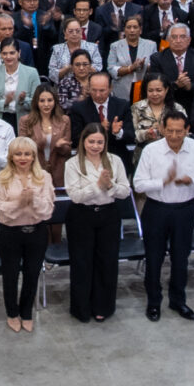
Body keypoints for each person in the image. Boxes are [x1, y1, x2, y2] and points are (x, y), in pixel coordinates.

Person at [131, 111, 194, 320]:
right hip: (157, 209)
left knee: (180, 258)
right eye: (170, 131)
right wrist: (161, 182)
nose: (174, 136)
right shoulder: (151, 151)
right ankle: (154, 302)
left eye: (179, 131)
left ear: (187, 130)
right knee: (154, 258)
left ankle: (178, 301)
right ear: (163, 129)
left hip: (185, 210)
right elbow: (138, 184)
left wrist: (190, 181)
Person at [61, 125, 129, 322]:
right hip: (81, 216)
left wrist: (111, 186)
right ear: (83, 142)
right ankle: (81, 308)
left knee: (106, 263)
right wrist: (97, 186)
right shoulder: (73, 163)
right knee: (82, 263)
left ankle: (103, 307)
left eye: (100, 142)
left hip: (108, 215)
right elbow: (75, 196)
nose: (95, 146)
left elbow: (125, 192)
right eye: (91, 141)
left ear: (105, 143)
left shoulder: (115, 161)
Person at [0, 136, 55, 332]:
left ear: (34, 156)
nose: (23, 158)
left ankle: (26, 313)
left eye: (27, 154)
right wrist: (20, 203)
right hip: (10, 233)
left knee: (32, 274)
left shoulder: (44, 177)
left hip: (36, 232)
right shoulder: (2, 178)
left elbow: (48, 211)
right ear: (11, 157)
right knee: (10, 274)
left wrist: (32, 201)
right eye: (18, 154)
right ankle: (12, 313)